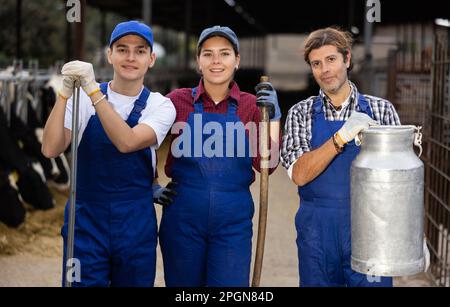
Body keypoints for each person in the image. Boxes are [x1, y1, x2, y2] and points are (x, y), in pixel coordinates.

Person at [41, 20, 176, 287]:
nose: (130, 57)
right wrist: (65, 94)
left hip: (135, 224)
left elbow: (127, 142)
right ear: (109, 55)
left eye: (139, 51)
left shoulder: (160, 105)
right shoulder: (80, 100)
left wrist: (93, 93)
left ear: (151, 59)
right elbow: (50, 148)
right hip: (85, 223)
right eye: (122, 49)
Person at [155, 25, 280, 287]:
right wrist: (150, 182)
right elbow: (143, 140)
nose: (216, 61)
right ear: (198, 62)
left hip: (232, 223)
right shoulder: (176, 101)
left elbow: (267, 165)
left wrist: (274, 120)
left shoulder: (251, 106)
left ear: (237, 61)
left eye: (224, 54)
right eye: (208, 54)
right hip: (182, 220)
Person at [281, 27, 401, 287]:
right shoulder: (300, 114)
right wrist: (340, 138)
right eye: (316, 63)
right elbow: (300, 174)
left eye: (331, 60)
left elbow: (400, 184)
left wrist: (410, 235)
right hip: (317, 234)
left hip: (371, 231)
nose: (324, 69)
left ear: (347, 59)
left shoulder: (381, 111)